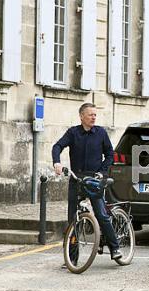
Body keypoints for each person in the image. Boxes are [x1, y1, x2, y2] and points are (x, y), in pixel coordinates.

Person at [52, 102, 122, 261]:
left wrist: (102, 172)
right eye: (90, 115)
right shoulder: (73, 133)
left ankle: (115, 248)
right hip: (76, 179)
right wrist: (56, 162)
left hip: (94, 180)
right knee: (72, 220)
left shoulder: (101, 133)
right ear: (82, 116)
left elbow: (110, 154)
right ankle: (72, 259)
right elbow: (57, 146)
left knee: (101, 215)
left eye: (95, 115)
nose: (93, 117)